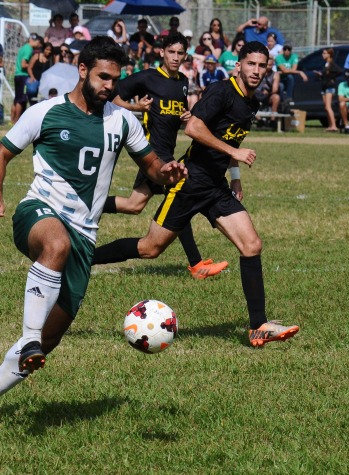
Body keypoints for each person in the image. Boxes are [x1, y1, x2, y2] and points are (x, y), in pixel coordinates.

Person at [0, 36, 187, 429]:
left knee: (48, 343)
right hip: (39, 213)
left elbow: (152, 166)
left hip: (85, 236)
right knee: (55, 244)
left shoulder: (123, 121)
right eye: (103, 77)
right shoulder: (45, 112)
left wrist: (165, 173)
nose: (110, 86)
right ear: (82, 70)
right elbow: (0, 153)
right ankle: (29, 335)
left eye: (115, 80)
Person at [94, 41, 300, 348]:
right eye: (251, 64)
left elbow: (230, 136)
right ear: (238, 65)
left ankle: (258, 326)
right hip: (190, 183)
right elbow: (194, 128)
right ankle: (85, 257)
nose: (256, 71)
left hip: (216, 186)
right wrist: (235, 153)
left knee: (251, 245)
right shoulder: (221, 91)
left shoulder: (251, 102)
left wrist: (235, 176)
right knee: (150, 248)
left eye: (262, 65)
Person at [94, 33, 227, 279]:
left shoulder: (183, 82)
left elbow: (173, 115)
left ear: (185, 55)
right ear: (162, 52)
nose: (176, 58)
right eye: (171, 52)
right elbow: (112, 93)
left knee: (134, 205)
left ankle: (89, 204)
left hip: (166, 152)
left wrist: (185, 116)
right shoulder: (148, 77)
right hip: (152, 153)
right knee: (180, 197)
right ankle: (197, 264)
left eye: (180, 53)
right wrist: (135, 107)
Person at [13, 33, 41, 122]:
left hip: (17, 74)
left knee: (17, 98)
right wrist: (33, 65)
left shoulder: (23, 47)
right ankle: (17, 120)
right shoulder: (29, 49)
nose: (38, 44)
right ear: (33, 40)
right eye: (38, 42)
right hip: (23, 76)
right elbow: (23, 64)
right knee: (21, 99)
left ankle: (12, 119)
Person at [316, 48, 343, 132]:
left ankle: (334, 126)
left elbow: (339, 71)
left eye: (324, 53)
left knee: (328, 107)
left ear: (329, 54)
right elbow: (326, 74)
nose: (322, 55)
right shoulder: (326, 64)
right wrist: (321, 75)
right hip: (324, 86)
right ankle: (330, 125)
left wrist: (332, 77)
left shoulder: (331, 64)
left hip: (329, 87)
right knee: (326, 107)